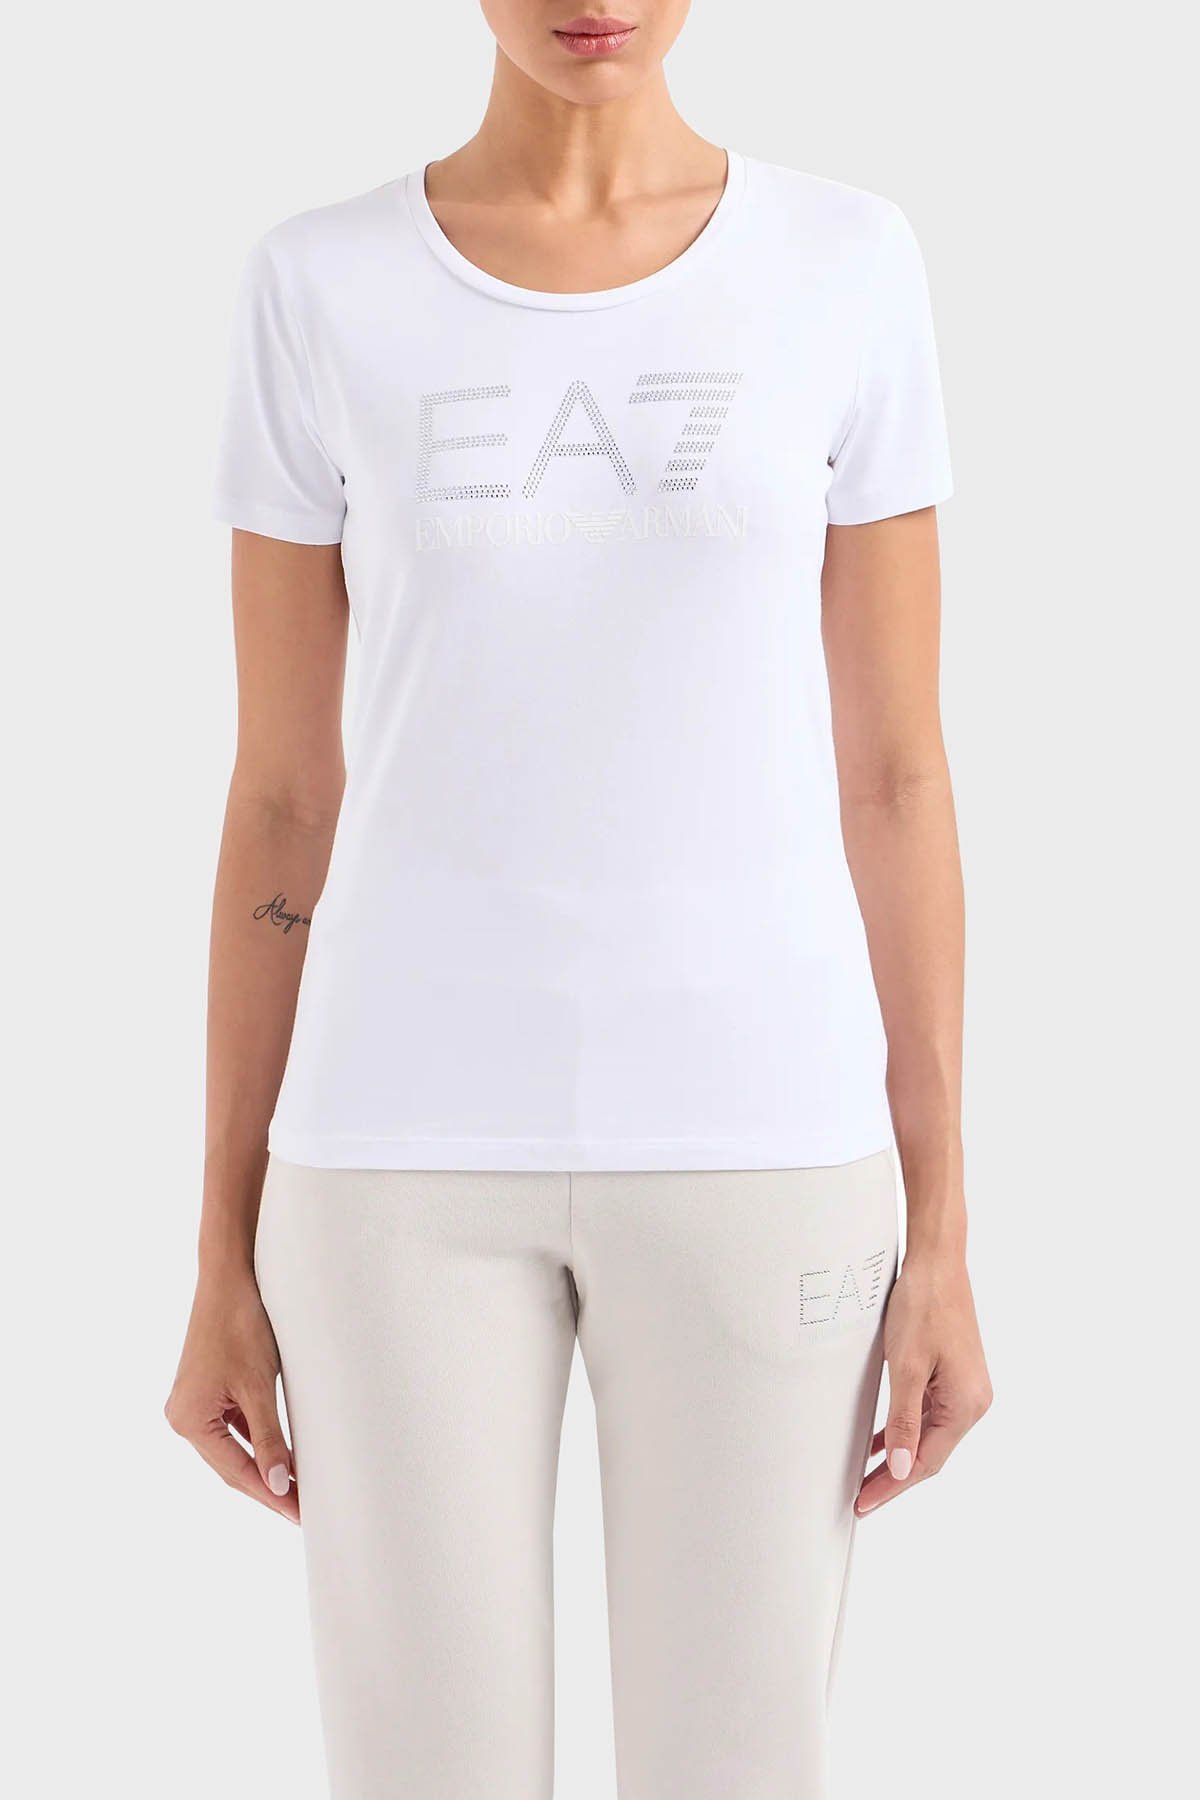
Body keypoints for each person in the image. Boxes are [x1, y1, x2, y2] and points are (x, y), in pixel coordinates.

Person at [166, 4, 992, 1794]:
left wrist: (942, 1233)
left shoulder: (846, 264)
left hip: (764, 1152)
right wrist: (218, 1250)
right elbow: (283, 796)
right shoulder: (321, 286)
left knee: (737, 1767)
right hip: (393, 1167)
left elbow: (899, 776)